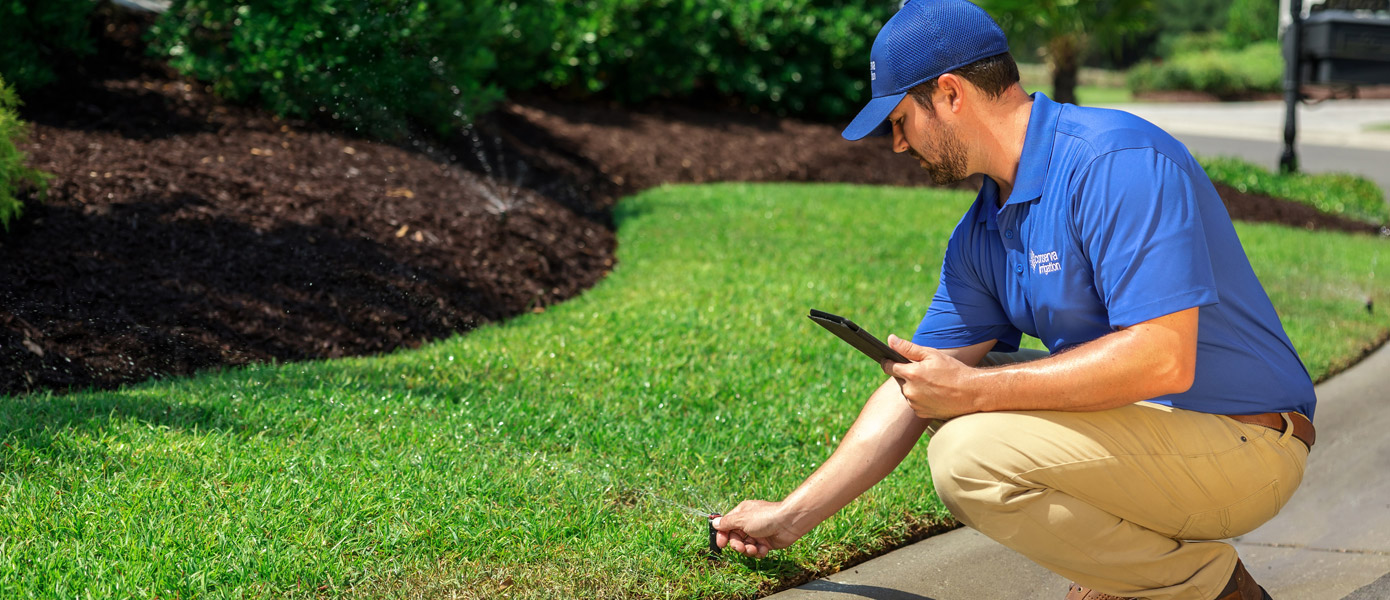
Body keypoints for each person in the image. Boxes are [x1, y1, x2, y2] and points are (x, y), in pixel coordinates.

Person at [711, 1, 1317, 599]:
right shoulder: (981, 232)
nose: (897, 144)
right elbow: (913, 388)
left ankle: (1206, 588)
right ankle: (1134, 576)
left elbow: (1163, 359)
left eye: (899, 120)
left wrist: (975, 391)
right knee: (932, 385)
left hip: (1247, 446)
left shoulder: (1114, 161)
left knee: (966, 455)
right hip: (1154, 434)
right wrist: (790, 516)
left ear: (950, 94)